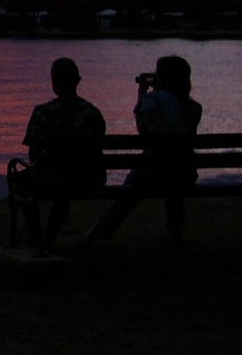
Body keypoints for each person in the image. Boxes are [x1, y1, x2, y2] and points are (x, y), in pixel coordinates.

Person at [77, 55, 202, 249]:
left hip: (154, 170)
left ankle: (94, 234)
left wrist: (142, 95)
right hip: (184, 172)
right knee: (173, 188)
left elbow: (145, 135)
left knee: (127, 194)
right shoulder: (195, 108)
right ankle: (175, 234)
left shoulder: (152, 102)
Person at [17, 58, 106, 251]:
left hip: (56, 177)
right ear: (78, 80)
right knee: (63, 188)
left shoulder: (43, 112)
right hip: (91, 177)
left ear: (54, 82)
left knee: (22, 181)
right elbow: (98, 146)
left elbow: (33, 156)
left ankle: (37, 237)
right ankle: (46, 240)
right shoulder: (92, 113)